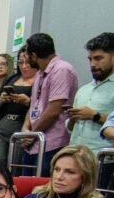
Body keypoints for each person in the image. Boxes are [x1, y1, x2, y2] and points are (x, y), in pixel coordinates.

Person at [67, 33, 114, 153]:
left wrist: (94, 116)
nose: (92, 64)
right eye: (90, 59)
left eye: (98, 58)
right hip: (75, 155)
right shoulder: (83, 90)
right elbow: (71, 128)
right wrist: (72, 118)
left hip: (103, 157)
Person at [20, 33, 79, 175]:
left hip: (51, 144)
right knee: (26, 185)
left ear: (34, 55)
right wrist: (25, 129)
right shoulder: (40, 73)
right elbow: (34, 105)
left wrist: (33, 134)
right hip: (33, 142)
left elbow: (54, 110)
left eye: (27, 56)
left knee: (43, 185)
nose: (26, 60)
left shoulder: (62, 69)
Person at [0, 47, 37, 164]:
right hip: (2, 126)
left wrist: (28, 102)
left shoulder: (39, 80)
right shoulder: (12, 78)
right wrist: (1, 101)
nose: (24, 66)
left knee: (15, 165)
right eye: (20, 62)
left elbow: (41, 105)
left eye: (27, 62)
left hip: (22, 127)